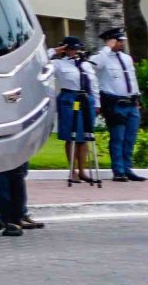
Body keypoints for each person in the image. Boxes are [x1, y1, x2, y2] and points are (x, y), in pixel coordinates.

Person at [52, 35, 101, 190]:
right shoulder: (58, 64)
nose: (75, 51)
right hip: (69, 98)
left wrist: (97, 103)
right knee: (71, 135)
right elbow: (40, 62)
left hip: (86, 98)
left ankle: (82, 170)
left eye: (77, 48)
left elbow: (94, 84)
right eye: (71, 48)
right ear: (65, 49)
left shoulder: (86, 65)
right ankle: (72, 170)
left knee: (85, 136)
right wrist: (55, 50)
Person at [96, 27, 140, 182]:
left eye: (121, 41)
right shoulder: (102, 58)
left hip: (131, 103)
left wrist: (137, 98)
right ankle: (119, 171)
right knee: (118, 138)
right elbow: (93, 65)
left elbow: (131, 80)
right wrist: (107, 47)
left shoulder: (126, 58)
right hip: (115, 104)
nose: (121, 43)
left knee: (130, 138)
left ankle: (127, 169)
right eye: (118, 41)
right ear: (111, 40)